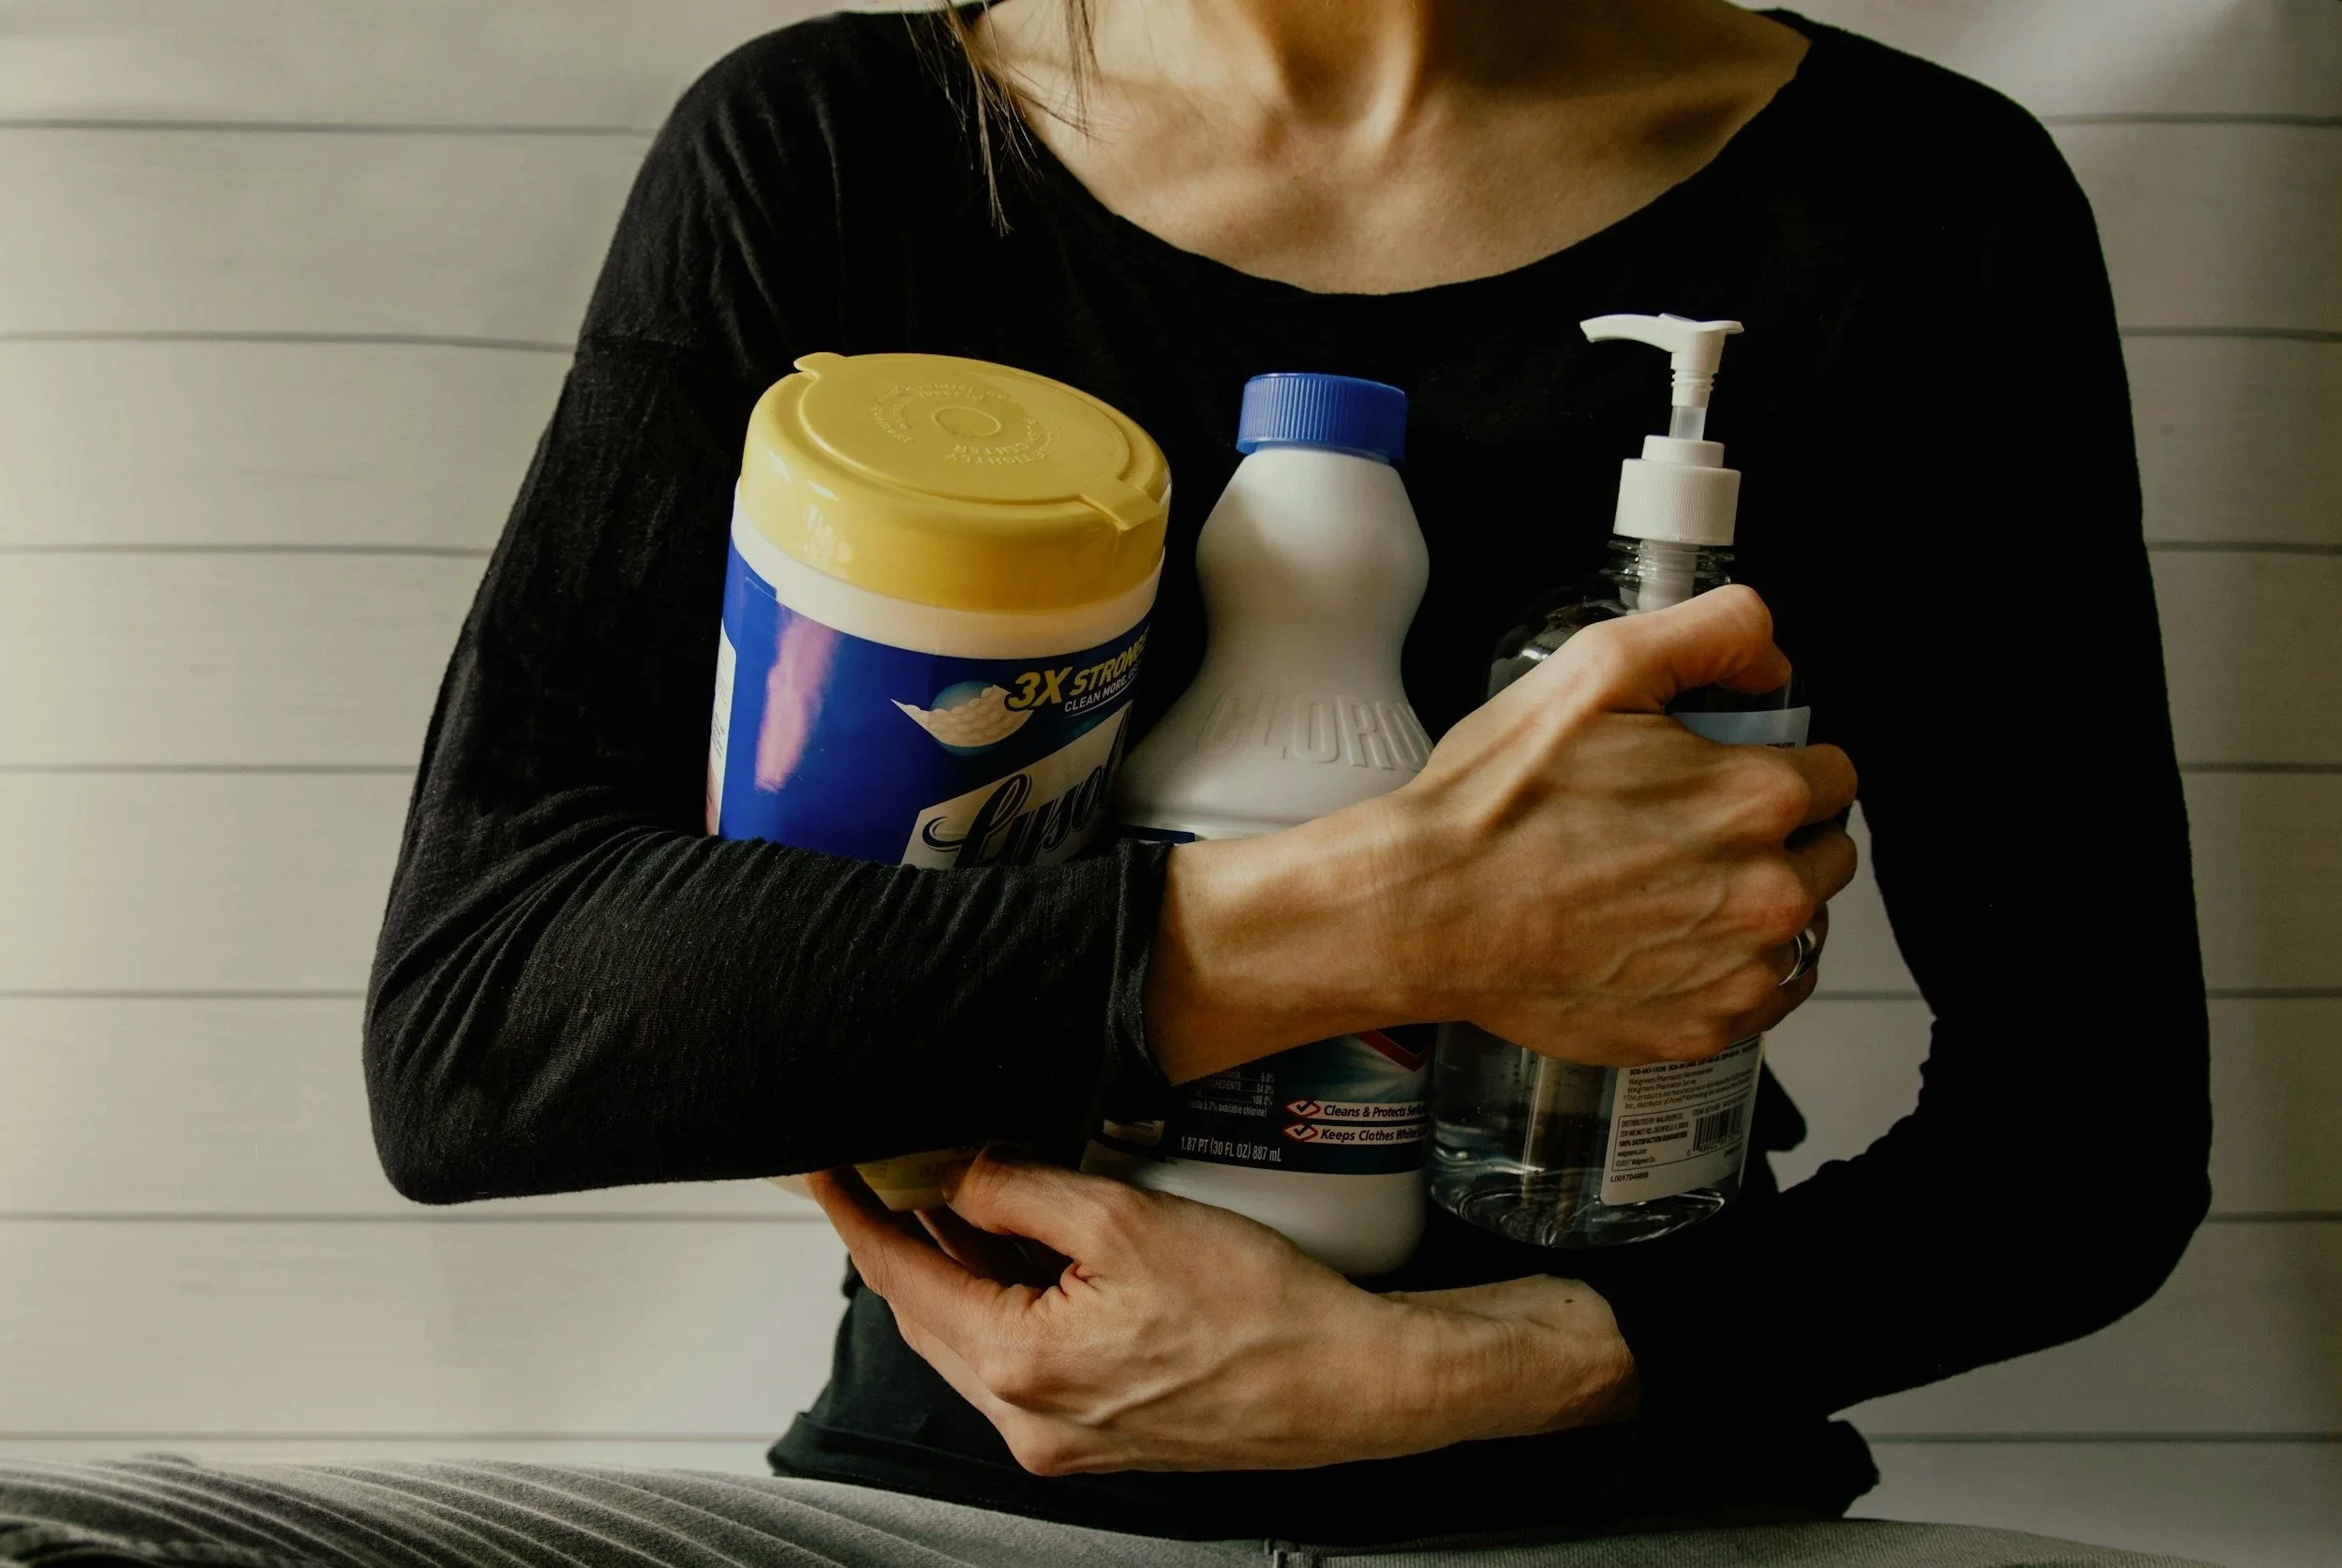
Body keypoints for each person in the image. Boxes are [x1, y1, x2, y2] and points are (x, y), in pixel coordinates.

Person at [0, 2, 2210, 1563]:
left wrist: (1453, 1374)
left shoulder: (1915, 209)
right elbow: (488, 1032)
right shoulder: (845, 148)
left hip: (1640, 1500)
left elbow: (2084, 1149)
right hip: (965, 1504)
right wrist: (1381, 917)